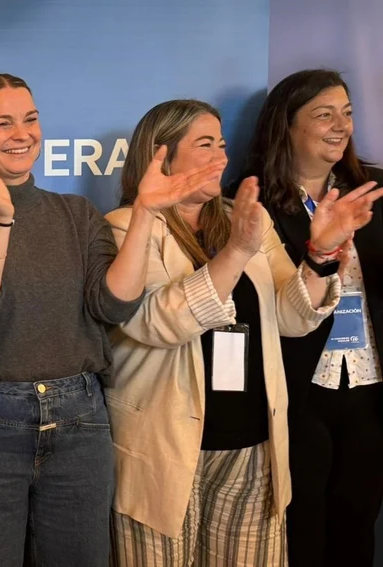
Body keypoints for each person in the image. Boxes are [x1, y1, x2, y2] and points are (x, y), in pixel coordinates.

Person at [0, 74, 223, 567]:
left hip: (80, 423)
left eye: (30, 119)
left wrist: (146, 211)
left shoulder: (76, 213)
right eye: (3, 123)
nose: (22, 133)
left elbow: (113, 306)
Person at [106, 99, 381, 566]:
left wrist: (320, 254)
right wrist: (236, 251)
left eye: (222, 144)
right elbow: (156, 322)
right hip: (165, 449)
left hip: (253, 448)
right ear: (161, 156)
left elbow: (292, 317)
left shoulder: (246, 216)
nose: (221, 157)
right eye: (205, 145)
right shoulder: (124, 227)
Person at [241, 69, 383, 567]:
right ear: (287, 126)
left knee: (358, 520)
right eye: (324, 115)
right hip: (297, 387)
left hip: (368, 383)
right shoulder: (253, 202)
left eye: (347, 113)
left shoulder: (373, 190)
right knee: (301, 523)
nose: (341, 126)